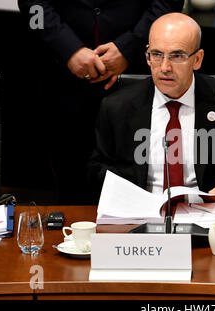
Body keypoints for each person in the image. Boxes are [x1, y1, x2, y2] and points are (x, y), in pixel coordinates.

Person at [88, 13, 215, 205]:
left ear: (197, 59)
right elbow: (96, 169)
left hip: (207, 216)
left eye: (177, 56)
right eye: (156, 55)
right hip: (140, 216)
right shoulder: (117, 106)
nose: (165, 67)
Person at [17, 0, 183, 204]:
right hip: (60, 73)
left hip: (137, 71)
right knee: (70, 185)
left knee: (138, 184)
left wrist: (129, 46)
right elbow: (31, 4)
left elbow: (169, 3)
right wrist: (68, 48)